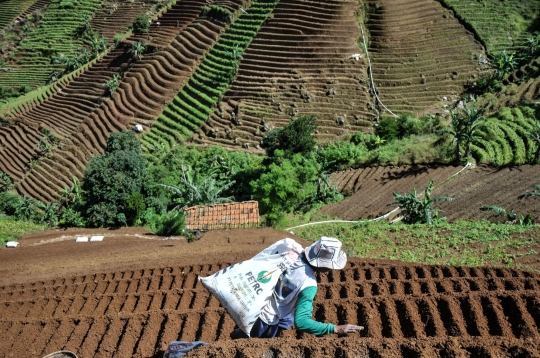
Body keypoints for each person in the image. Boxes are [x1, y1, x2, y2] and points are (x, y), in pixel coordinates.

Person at [231, 237, 364, 338]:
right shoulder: (309, 284)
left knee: (286, 319)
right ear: (324, 265)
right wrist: (335, 328)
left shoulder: (291, 251)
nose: (330, 270)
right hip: (265, 320)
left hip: (253, 304)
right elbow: (301, 322)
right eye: (330, 266)